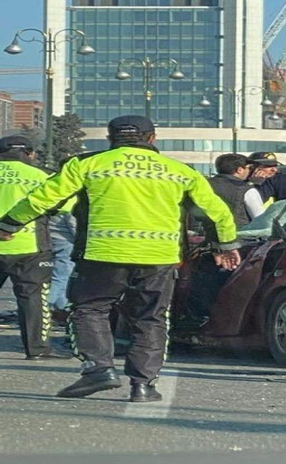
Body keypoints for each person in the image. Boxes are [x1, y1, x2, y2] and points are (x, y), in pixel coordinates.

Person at [0, 115, 241, 402]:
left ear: (110, 138)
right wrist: (225, 245)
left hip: (101, 254)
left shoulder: (87, 164)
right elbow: (217, 212)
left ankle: (98, 369)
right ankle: (144, 384)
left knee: (89, 310)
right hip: (159, 257)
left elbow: (44, 197)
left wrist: (9, 224)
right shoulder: (181, 171)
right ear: (152, 139)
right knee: (151, 318)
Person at [0, 136, 68, 360]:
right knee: (33, 300)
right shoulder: (43, 176)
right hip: (31, 247)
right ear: (30, 154)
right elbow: (65, 206)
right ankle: (37, 349)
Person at [209, 154, 265, 227]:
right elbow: (260, 219)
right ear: (239, 170)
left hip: (209, 234)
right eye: (249, 168)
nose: (250, 171)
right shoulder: (247, 190)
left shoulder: (205, 184)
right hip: (240, 235)